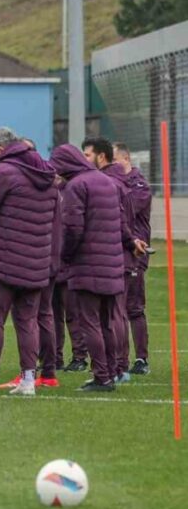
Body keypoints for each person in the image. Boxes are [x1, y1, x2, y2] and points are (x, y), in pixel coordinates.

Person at [0, 128, 56, 396]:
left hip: (5, 257)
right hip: (38, 258)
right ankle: (29, 379)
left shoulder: (3, 173)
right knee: (27, 320)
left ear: (2, 148)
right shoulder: (48, 175)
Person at [50, 144, 144, 392]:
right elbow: (122, 223)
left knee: (90, 323)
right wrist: (130, 242)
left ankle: (101, 376)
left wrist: (65, 257)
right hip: (113, 264)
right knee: (108, 323)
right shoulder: (107, 182)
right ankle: (112, 372)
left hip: (87, 266)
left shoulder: (75, 186)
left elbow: (72, 229)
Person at [84, 136, 147, 382]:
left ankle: (124, 363)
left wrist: (131, 242)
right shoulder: (118, 183)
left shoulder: (123, 185)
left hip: (127, 252)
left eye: (88, 155)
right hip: (123, 250)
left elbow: (122, 220)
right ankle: (117, 365)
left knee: (123, 311)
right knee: (116, 311)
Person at [114, 142, 153, 375]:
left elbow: (127, 210)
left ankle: (141, 359)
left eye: (114, 160)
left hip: (136, 252)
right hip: (117, 252)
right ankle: (120, 359)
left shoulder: (139, 186)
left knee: (134, 307)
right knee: (115, 308)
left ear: (125, 160)